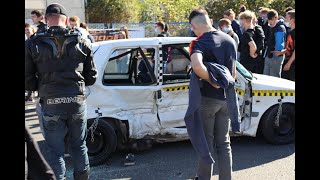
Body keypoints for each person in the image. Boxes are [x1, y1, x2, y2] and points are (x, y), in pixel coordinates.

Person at [25, 3, 97, 180]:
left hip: (50, 102)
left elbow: (27, 79)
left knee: (54, 150)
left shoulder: (33, 43)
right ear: (65, 19)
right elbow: (92, 76)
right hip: (76, 101)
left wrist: (41, 88)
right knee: (79, 146)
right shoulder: (82, 40)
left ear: (47, 19)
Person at [188, 7, 238, 180]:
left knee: (206, 145)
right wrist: (221, 83)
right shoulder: (229, 40)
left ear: (194, 26)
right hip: (226, 100)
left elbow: (196, 66)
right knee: (224, 144)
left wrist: (211, 80)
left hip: (207, 100)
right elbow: (232, 74)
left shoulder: (199, 43)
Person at [272, 10, 295, 81]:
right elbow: (290, 48)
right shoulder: (290, 32)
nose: (285, 19)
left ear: (292, 20)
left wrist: (289, 63)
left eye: (287, 17)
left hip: (292, 63)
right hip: (287, 60)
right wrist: (281, 52)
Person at [263, 9, 287, 77]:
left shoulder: (280, 28)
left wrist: (274, 57)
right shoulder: (271, 27)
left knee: (274, 77)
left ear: (276, 18)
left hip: (275, 57)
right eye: (269, 19)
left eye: (271, 19)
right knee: (266, 76)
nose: (270, 21)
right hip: (269, 54)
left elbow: (279, 44)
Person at [25, 23, 36, 103]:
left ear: (32, 30)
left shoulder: (35, 40)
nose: (26, 31)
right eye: (25, 30)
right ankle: (29, 95)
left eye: (28, 30)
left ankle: (30, 95)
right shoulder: (26, 41)